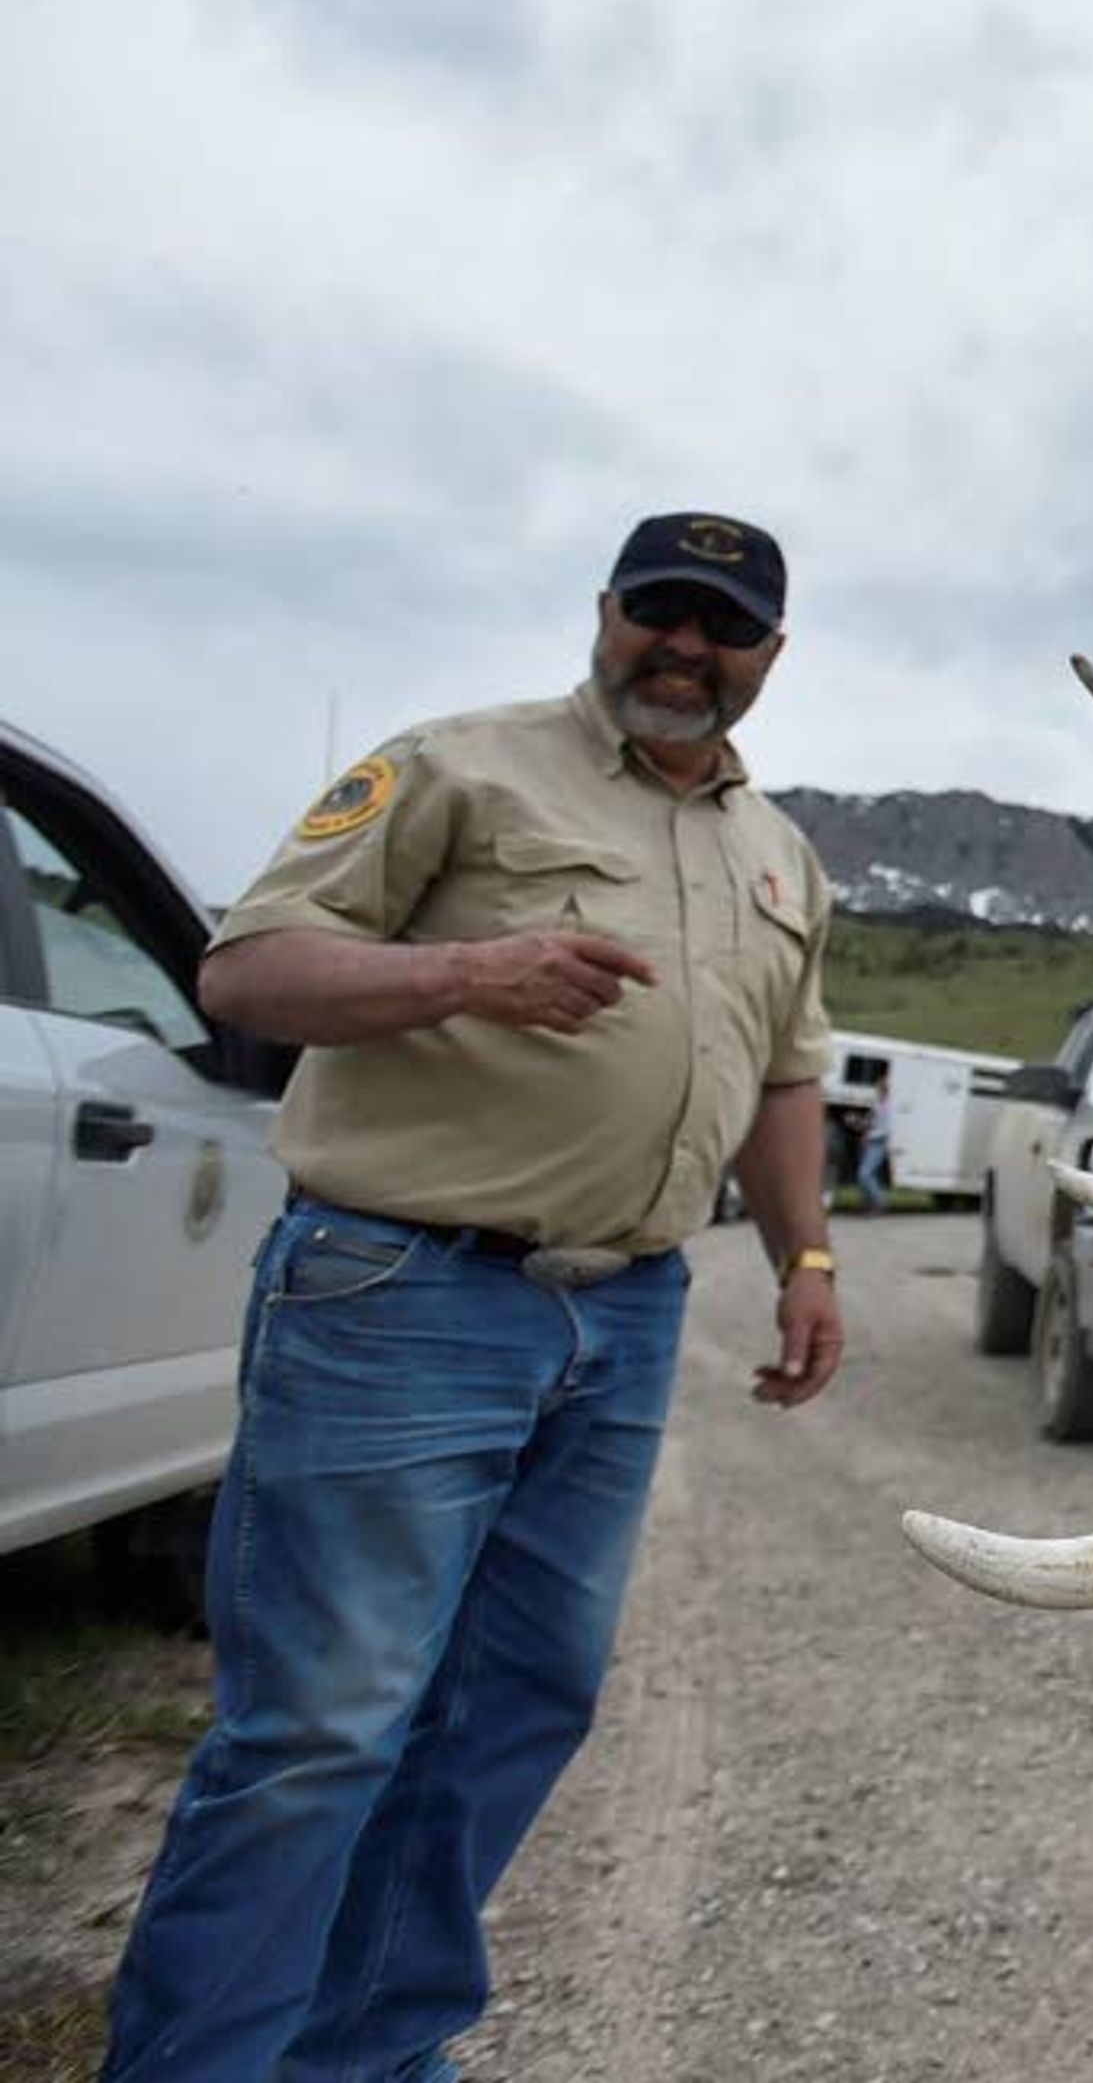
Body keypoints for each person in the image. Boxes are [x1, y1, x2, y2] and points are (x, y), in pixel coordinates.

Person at [106, 512, 851, 2083]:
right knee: (322, 1729)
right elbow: (246, 973)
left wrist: (808, 1258)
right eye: (659, 610)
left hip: (625, 1318)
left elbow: (788, 1077)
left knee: (515, 1704)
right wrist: (466, 974)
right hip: (399, 1297)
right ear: (605, 614)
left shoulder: (781, 856)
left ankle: (367, 2051)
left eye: (722, 627)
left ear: (769, 658)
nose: (684, 647)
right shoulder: (457, 766)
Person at [854, 1083, 894, 1215]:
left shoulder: (888, 1107)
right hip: (871, 1143)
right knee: (867, 1175)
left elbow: (886, 1130)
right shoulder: (877, 1105)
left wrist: (868, 1135)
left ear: (885, 1091)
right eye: (877, 1090)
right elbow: (869, 1122)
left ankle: (881, 1200)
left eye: (879, 1090)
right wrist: (857, 1122)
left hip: (879, 1143)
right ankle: (869, 1205)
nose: (877, 1092)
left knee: (864, 1174)